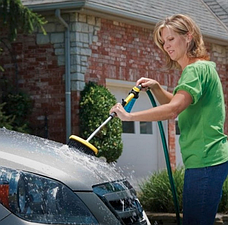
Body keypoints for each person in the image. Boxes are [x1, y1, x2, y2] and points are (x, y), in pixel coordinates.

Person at [110, 14, 228, 225]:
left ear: (188, 37)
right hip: (209, 160)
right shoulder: (203, 67)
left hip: (205, 161)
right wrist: (156, 87)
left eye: (171, 39)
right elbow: (180, 102)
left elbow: (174, 109)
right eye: (164, 42)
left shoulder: (194, 70)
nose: (167, 46)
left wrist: (129, 116)